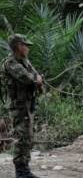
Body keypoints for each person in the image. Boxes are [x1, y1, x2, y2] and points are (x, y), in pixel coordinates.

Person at [2, 34, 43, 178]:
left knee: (28, 137)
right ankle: (20, 172)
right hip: (18, 106)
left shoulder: (25, 61)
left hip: (27, 104)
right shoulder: (10, 63)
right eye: (25, 45)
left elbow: (36, 76)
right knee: (21, 136)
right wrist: (36, 80)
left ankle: (25, 169)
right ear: (19, 46)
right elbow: (27, 78)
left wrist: (38, 81)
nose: (27, 48)